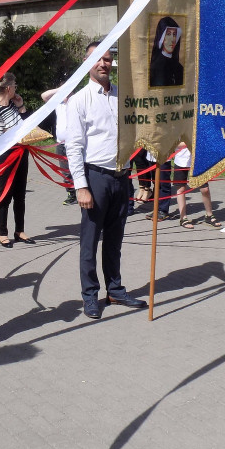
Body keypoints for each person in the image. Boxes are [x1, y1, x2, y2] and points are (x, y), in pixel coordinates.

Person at [66, 42, 147, 319]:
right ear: (88, 64)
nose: (104, 64)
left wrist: (142, 179)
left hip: (121, 178)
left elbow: (133, 137)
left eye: (108, 59)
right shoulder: (79, 100)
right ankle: (90, 295)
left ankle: (114, 289)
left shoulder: (121, 97)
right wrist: (81, 186)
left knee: (115, 240)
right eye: (98, 59)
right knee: (89, 242)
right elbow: (74, 146)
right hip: (95, 178)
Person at [0, 73, 33, 247]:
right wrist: (14, 135)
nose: (16, 88)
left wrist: (21, 107)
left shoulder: (13, 105)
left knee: (20, 195)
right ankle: (2, 233)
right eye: (14, 85)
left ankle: (19, 230)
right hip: (5, 156)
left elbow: (27, 125)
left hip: (21, 152)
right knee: (5, 194)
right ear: (8, 88)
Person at [42, 84, 78, 206]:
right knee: (65, 170)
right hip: (61, 143)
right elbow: (44, 96)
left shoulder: (77, 101)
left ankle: (84, 191)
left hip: (74, 143)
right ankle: (71, 194)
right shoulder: (59, 103)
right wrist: (60, 90)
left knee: (78, 167)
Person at [149, 16, 184, 87]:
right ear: (162, 37)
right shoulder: (155, 68)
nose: (172, 39)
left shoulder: (179, 68)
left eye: (174, 34)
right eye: (168, 34)